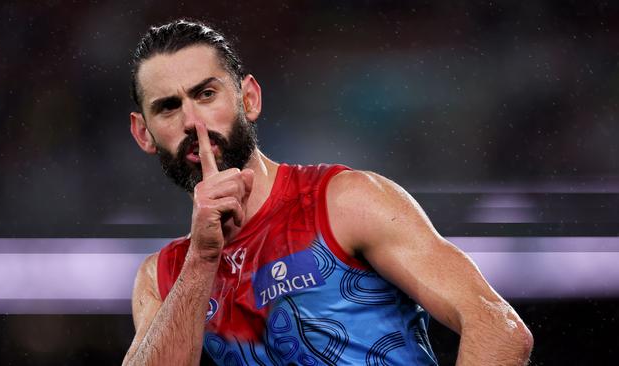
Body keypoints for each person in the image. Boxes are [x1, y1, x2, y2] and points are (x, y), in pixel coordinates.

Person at [122, 19, 533, 366]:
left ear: (249, 99)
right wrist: (204, 256)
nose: (193, 122)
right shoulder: (161, 278)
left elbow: (497, 326)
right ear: (144, 133)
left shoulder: (344, 201)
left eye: (206, 94)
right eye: (169, 107)